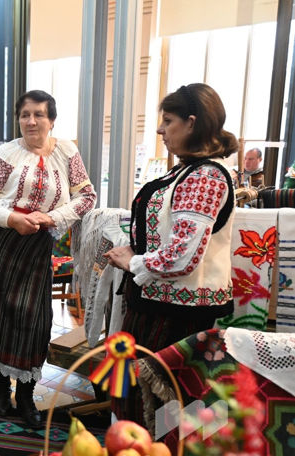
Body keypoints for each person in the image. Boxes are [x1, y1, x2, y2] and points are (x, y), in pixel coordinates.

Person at [103, 83, 237, 424]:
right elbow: (170, 233)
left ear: (192, 123)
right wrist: (137, 248)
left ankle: (147, 443)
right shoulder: (188, 171)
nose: (160, 130)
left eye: (168, 121)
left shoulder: (206, 176)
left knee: (161, 399)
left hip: (176, 312)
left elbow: (181, 256)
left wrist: (133, 261)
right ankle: (134, 440)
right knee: (139, 390)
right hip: (160, 302)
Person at [0, 90, 97, 427]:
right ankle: (1, 391)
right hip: (2, 244)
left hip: (37, 247)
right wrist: (12, 219)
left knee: (33, 321)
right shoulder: (7, 153)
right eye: (25, 115)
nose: (31, 121)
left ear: (52, 120)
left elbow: (86, 196)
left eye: (39, 114)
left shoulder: (67, 152)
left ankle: (26, 396)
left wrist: (52, 217)